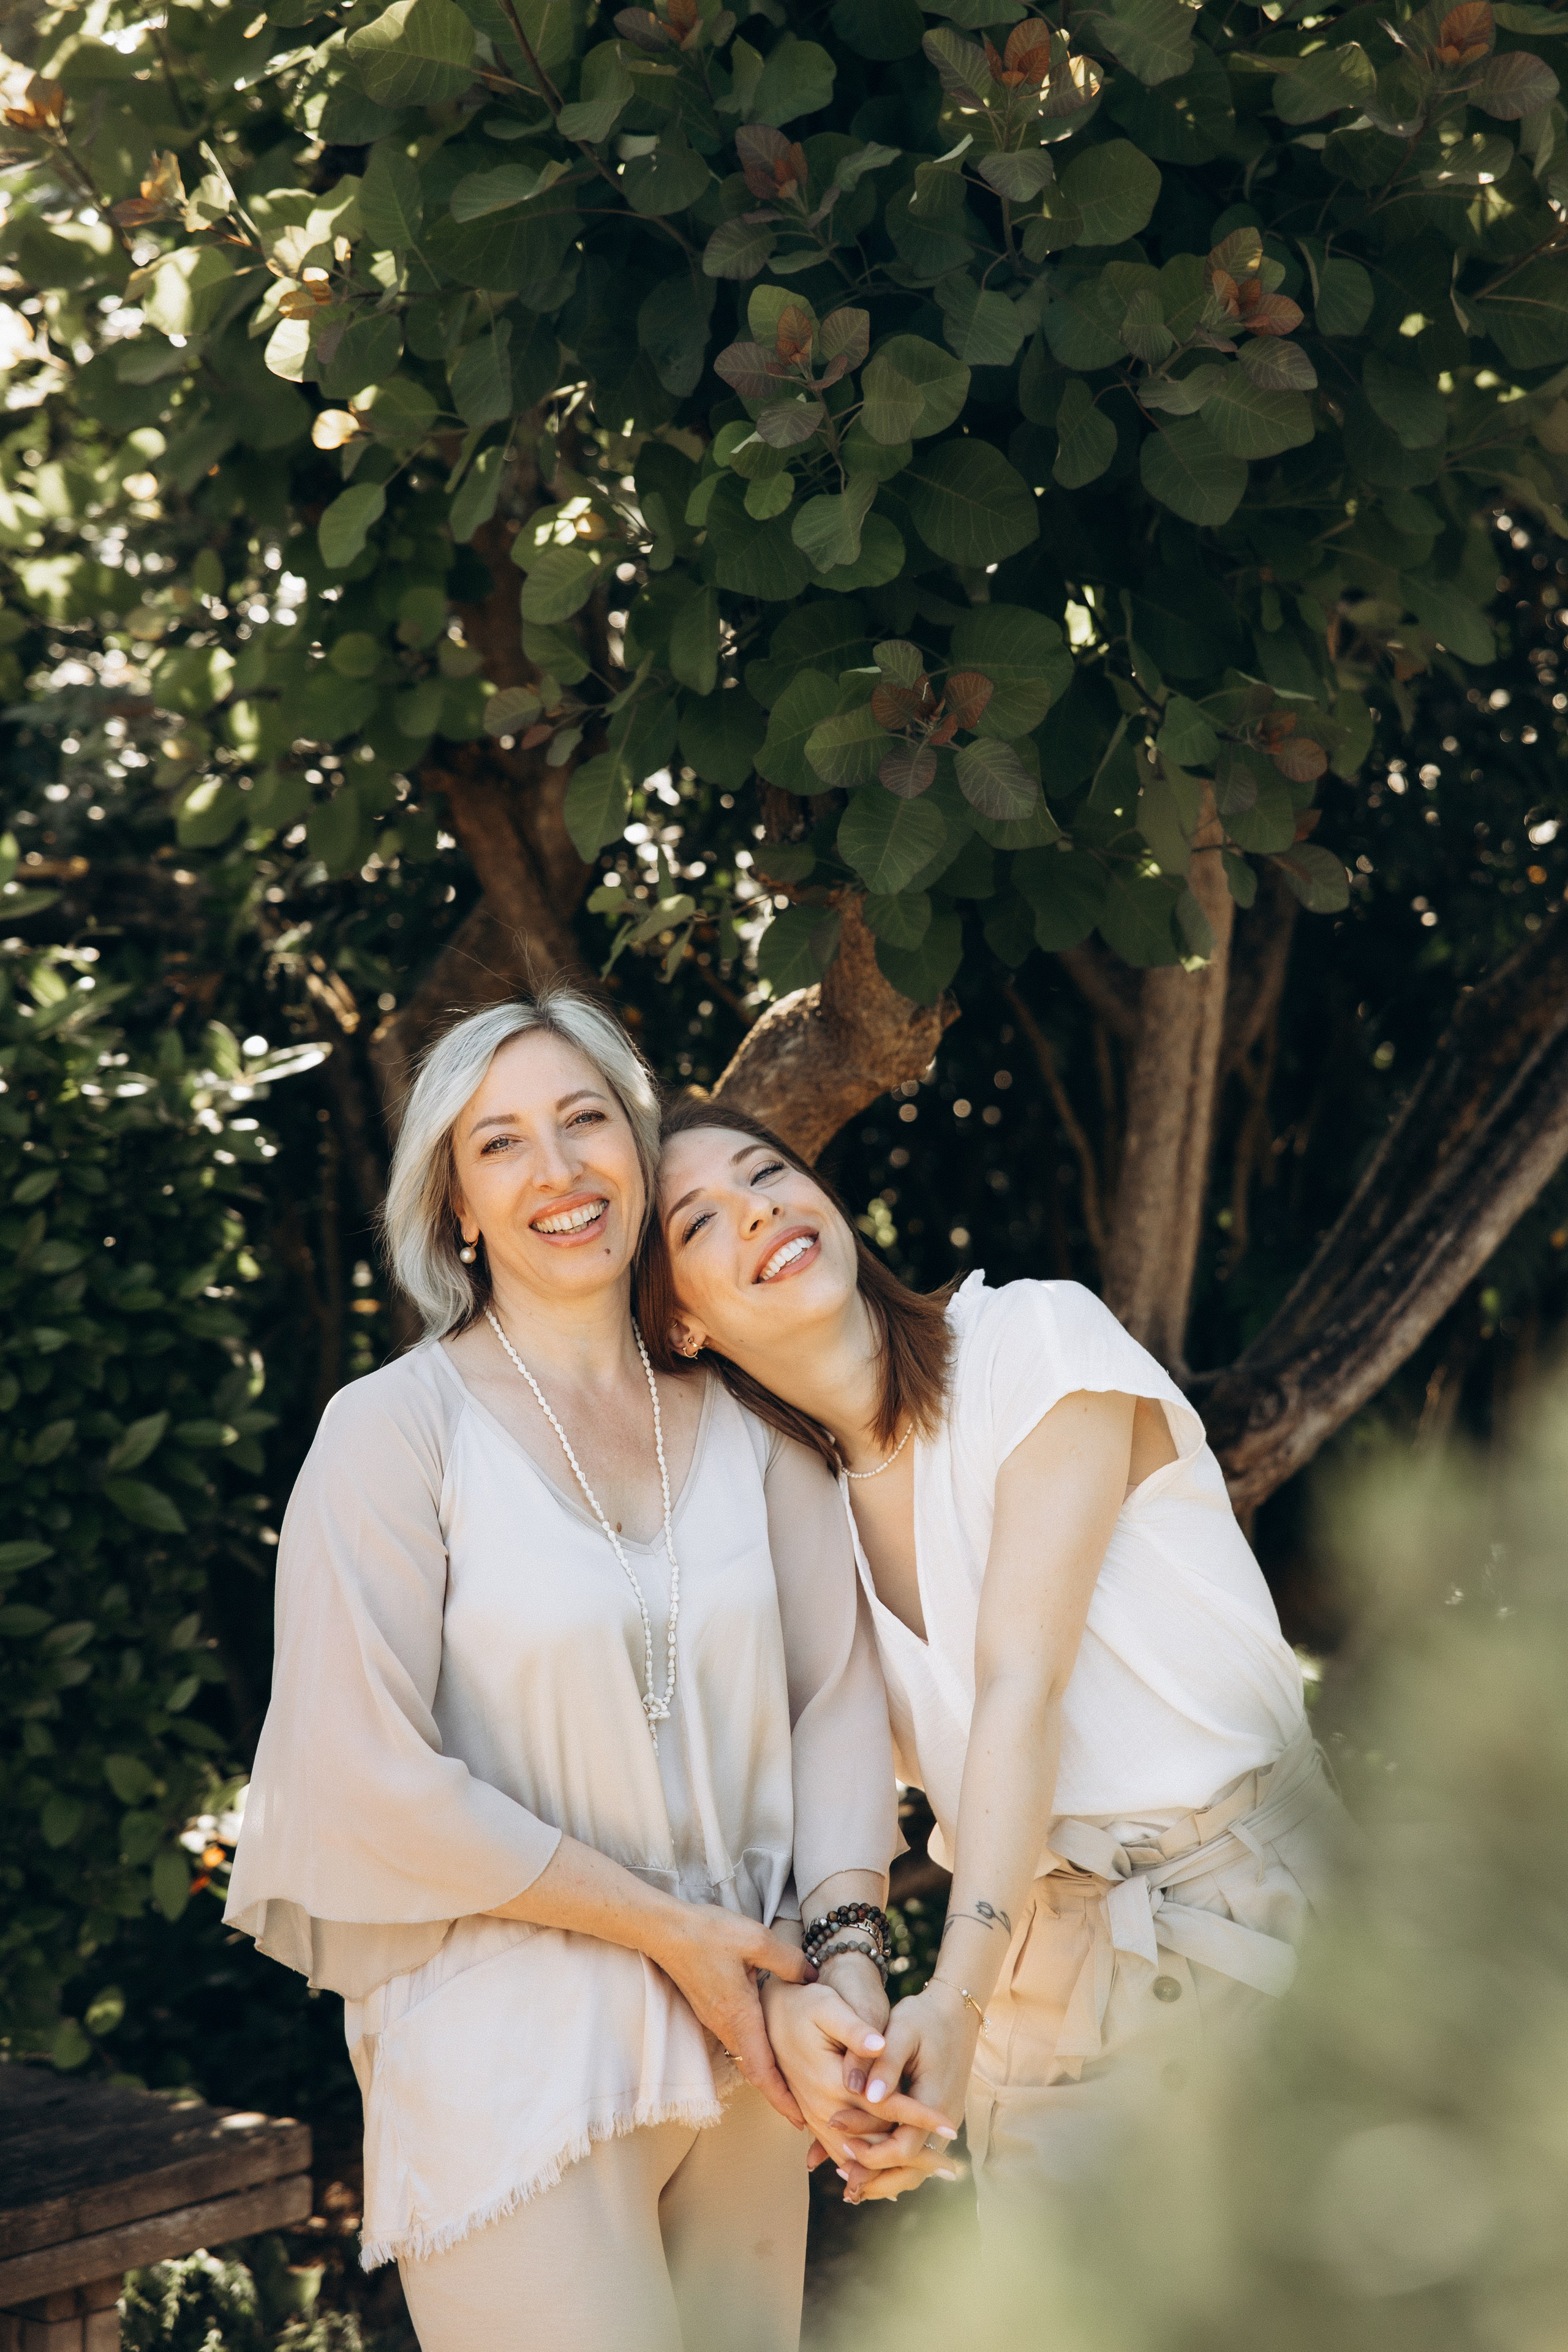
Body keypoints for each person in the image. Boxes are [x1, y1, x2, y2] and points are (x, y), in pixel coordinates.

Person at [225, 989, 938, 2352]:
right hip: (515, 2036)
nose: (555, 1171)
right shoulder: (391, 1436)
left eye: (583, 1120)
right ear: (454, 1210)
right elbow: (355, 1773)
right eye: (499, 1146)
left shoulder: (748, 1423)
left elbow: (834, 1692)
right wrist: (677, 1936)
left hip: (752, 2028)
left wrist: (844, 1962)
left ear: (637, 1141)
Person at [640, 1096, 1344, 2225]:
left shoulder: (1034, 1342)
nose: (759, 1207)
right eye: (700, 1221)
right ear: (679, 1323)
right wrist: (868, 2040)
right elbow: (839, 1795)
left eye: (766, 1171)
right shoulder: (789, 1522)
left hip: (1259, 1913)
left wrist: (953, 2001)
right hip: (1043, 1988)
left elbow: (1026, 1685)